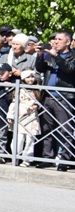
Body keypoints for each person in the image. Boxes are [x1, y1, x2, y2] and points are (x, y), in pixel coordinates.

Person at [34, 30, 74, 171]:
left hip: (64, 97)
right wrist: (40, 56)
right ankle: (47, 157)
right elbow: (40, 68)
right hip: (48, 96)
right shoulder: (50, 54)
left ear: (68, 42)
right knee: (46, 128)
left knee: (65, 129)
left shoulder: (72, 56)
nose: (55, 42)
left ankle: (65, 159)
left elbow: (69, 69)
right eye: (55, 39)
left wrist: (56, 56)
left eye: (59, 39)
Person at [8, 70, 42, 167]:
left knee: (30, 140)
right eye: (28, 77)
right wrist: (11, 115)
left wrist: (36, 106)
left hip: (32, 118)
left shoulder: (37, 89)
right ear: (23, 79)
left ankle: (27, 159)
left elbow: (40, 102)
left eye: (32, 77)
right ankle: (15, 156)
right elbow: (14, 103)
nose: (30, 79)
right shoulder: (19, 89)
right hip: (20, 117)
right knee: (18, 139)